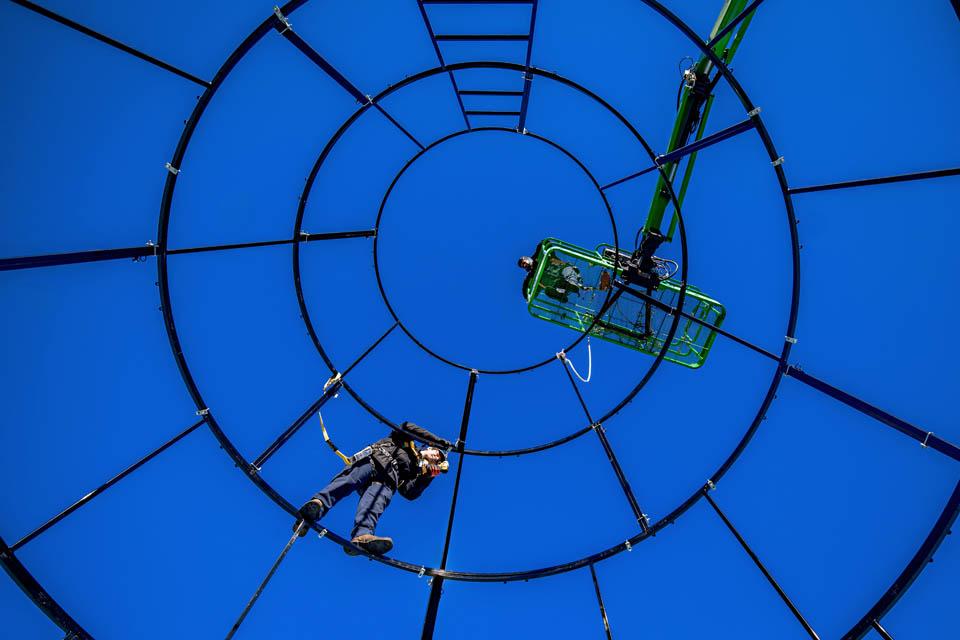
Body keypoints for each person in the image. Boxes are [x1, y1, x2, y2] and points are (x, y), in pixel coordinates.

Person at [294, 422, 451, 556]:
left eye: (440, 459)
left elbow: (409, 492)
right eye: (437, 453)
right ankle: (317, 506)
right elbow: (407, 426)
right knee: (347, 482)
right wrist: (438, 440)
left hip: (387, 481)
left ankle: (362, 536)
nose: (438, 457)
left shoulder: (415, 470)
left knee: (374, 506)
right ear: (430, 447)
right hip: (373, 461)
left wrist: (428, 476)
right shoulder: (406, 441)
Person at [518, 251, 591, 303]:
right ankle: (560, 295)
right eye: (523, 266)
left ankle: (573, 284)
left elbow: (543, 244)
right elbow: (525, 287)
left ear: (528, 259)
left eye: (524, 262)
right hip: (557, 284)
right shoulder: (531, 275)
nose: (524, 265)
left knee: (567, 270)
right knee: (547, 290)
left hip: (561, 271)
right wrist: (527, 297)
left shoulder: (539, 256)